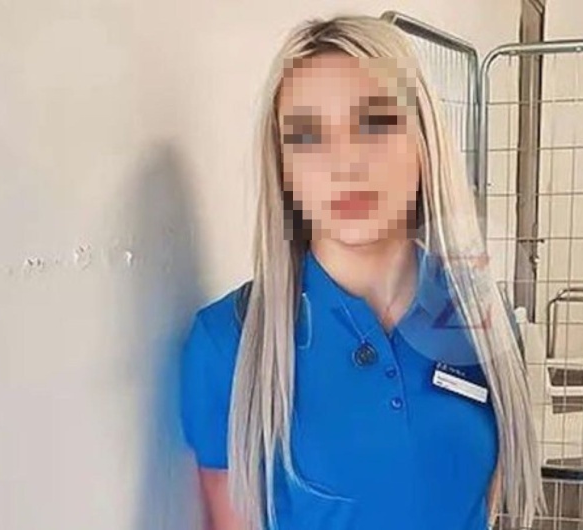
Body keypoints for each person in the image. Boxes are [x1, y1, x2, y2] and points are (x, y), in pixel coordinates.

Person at [179, 14, 543, 530]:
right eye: (308, 136)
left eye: (374, 123)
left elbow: (483, 496)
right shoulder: (229, 342)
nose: (345, 164)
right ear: (283, 169)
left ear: (424, 141)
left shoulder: (479, 313)